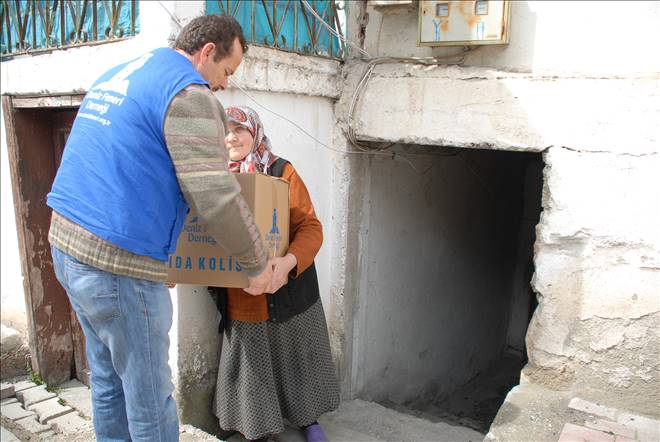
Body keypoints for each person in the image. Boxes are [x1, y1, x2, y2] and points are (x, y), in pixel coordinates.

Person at [47, 16, 274, 441]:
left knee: (111, 384)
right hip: (116, 263)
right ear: (207, 52)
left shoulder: (129, 71)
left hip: (68, 244)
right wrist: (258, 266)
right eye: (227, 71)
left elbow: (137, 173)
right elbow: (214, 195)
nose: (224, 85)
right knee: (150, 400)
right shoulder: (189, 94)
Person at [209, 106, 340, 442]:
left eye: (240, 129)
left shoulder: (281, 172)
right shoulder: (212, 181)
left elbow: (310, 227)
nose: (231, 137)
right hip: (244, 296)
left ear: (255, 132)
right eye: (225, 130)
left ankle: (308, 420)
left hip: (289, 289)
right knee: (254, 369)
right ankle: (260, 429)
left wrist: (288, 263)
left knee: (298, 358)